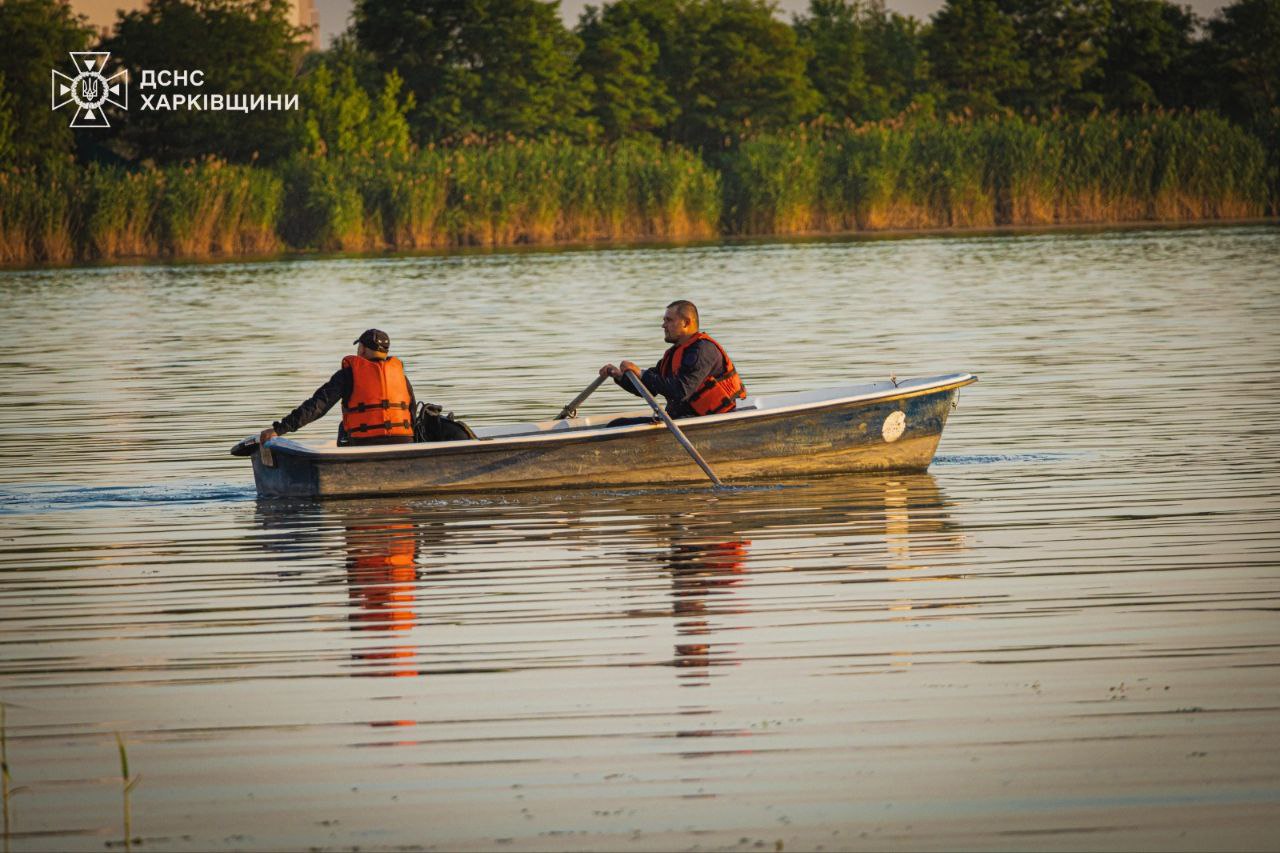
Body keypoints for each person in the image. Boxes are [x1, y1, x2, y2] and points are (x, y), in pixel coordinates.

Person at [258, 329, 417, 447]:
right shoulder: (401, 377)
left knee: (344, 426)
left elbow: (317, 406)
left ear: (362, 349)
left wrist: (279, 429)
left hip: (365, 444)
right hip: (403, 442)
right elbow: (412, 413)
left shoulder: (348, 375)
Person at [599, 300, 746, 422]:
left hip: (710, 421)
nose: (663, 325)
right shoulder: (674, 353)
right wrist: (619, 376)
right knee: (618, 424)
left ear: (686, 323)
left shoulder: (702, 350)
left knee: (617, 425)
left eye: (668, 320)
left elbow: (680, 391)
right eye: (664, 320)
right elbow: (649, 389)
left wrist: (641, 373)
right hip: (682, 420)